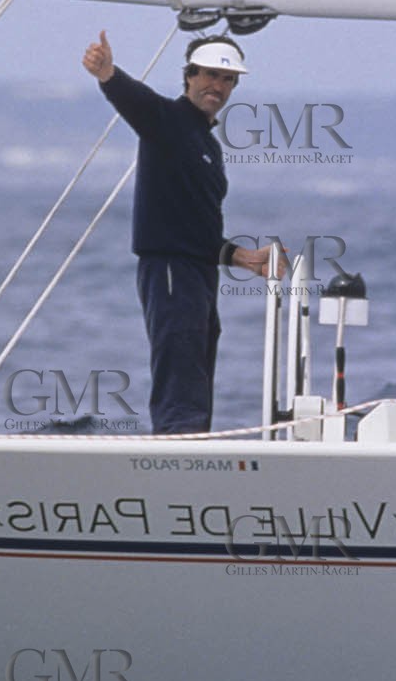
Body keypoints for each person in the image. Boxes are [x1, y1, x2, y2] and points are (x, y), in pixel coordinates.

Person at [82, 30, 273, 434]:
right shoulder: (168, 121)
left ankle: (193, 442)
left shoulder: (206, 143)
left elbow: (196, 226)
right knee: (180, 360)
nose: (216, 86)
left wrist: (243, 258)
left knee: (198, 361)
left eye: (227, 80)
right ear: (189, 76)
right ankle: (178, 446)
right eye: (208, 75)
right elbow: (138, 103)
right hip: (169, 268)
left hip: (199, 272)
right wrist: (108, 74)